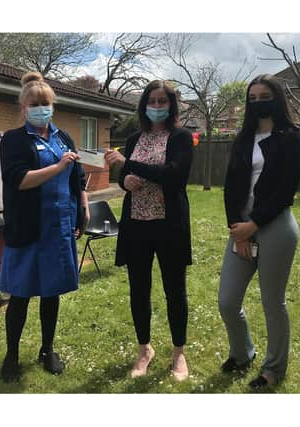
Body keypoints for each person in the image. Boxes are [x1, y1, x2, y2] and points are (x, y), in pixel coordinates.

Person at [0, 71, 89, 382]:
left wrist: (84, 208)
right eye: (34, 104)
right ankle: (12, 354)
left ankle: (47, 349)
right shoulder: (14, 140)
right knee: (21, 295)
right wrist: (58, 166)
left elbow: (78, 179)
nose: (41, 108)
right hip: (28, 228)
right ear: (24, 108)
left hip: (59, 227)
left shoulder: (64, 138)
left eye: (45, 103)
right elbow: (18, 180)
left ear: (53, 105)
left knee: (52, 293)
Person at [218, 74, 300, 391]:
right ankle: (242, 353)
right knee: (227, 301)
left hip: (276, 225)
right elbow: (231, 186)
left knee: (272, 302)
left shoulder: (290, 138)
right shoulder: (243, 137)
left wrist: (254, 225)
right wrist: (237, 229)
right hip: (240, 226)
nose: (257, 102)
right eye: (251, 97)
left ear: (276, 98)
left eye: (263, 96)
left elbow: (286, 190)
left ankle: (273, 368)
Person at [104, 80, 193, 381]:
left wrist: (129, 165)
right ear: (143, 106)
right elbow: (126, 178)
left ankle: (178, 353)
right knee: (138, 290)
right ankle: (145, 350)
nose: (156, 107)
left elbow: (174, 176)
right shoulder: (133, 139)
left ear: (171, 105)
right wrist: (123, 180)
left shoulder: (181, 138)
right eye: (151, 102)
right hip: (137, 225)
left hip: (170, 225)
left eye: (161, 101)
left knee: (174, 291)